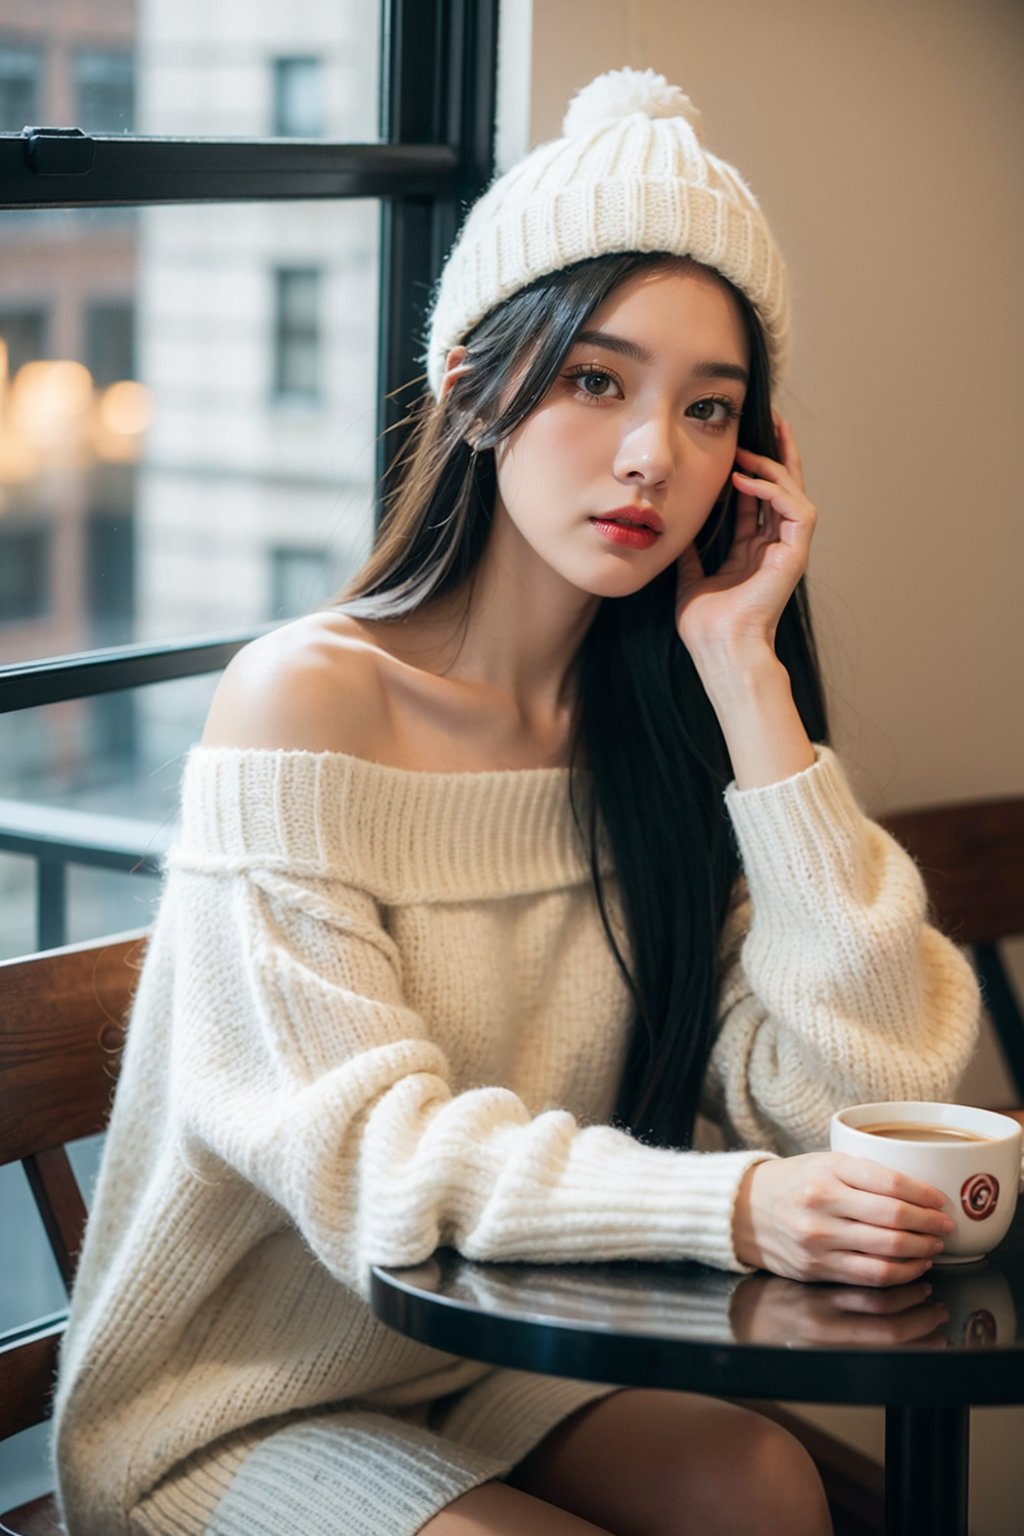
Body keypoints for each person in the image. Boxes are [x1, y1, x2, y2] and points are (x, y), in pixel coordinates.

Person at [53, 67, 980, 1536]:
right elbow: (375, 1160)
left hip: (501, 1361)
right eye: (596, 380)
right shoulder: (305, 701)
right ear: (477, 385)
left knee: (759, 1487)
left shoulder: (672, 733)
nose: (648, 457)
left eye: (708, 408)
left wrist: (751, 687)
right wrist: (729, 1211)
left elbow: (873, 1098)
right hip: (241, 1400)